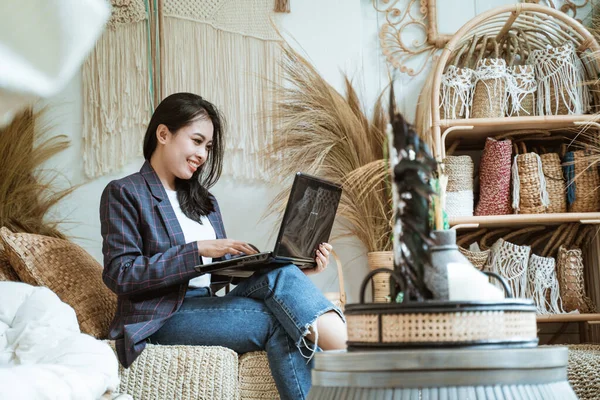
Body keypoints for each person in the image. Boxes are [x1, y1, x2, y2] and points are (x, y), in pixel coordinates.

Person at [100, 92, 347, 399]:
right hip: (161, 316)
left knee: (280, 272)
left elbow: (216, 276)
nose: (202, 154)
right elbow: (120, 274)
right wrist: (198, 249)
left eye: (208, 146)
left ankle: (351, 349)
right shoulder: (125, 193)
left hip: (205, 306)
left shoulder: (204, 201)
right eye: (196, 140)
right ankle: (356, 354)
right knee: (279, 321)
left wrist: (298, 266)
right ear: (163, 134)